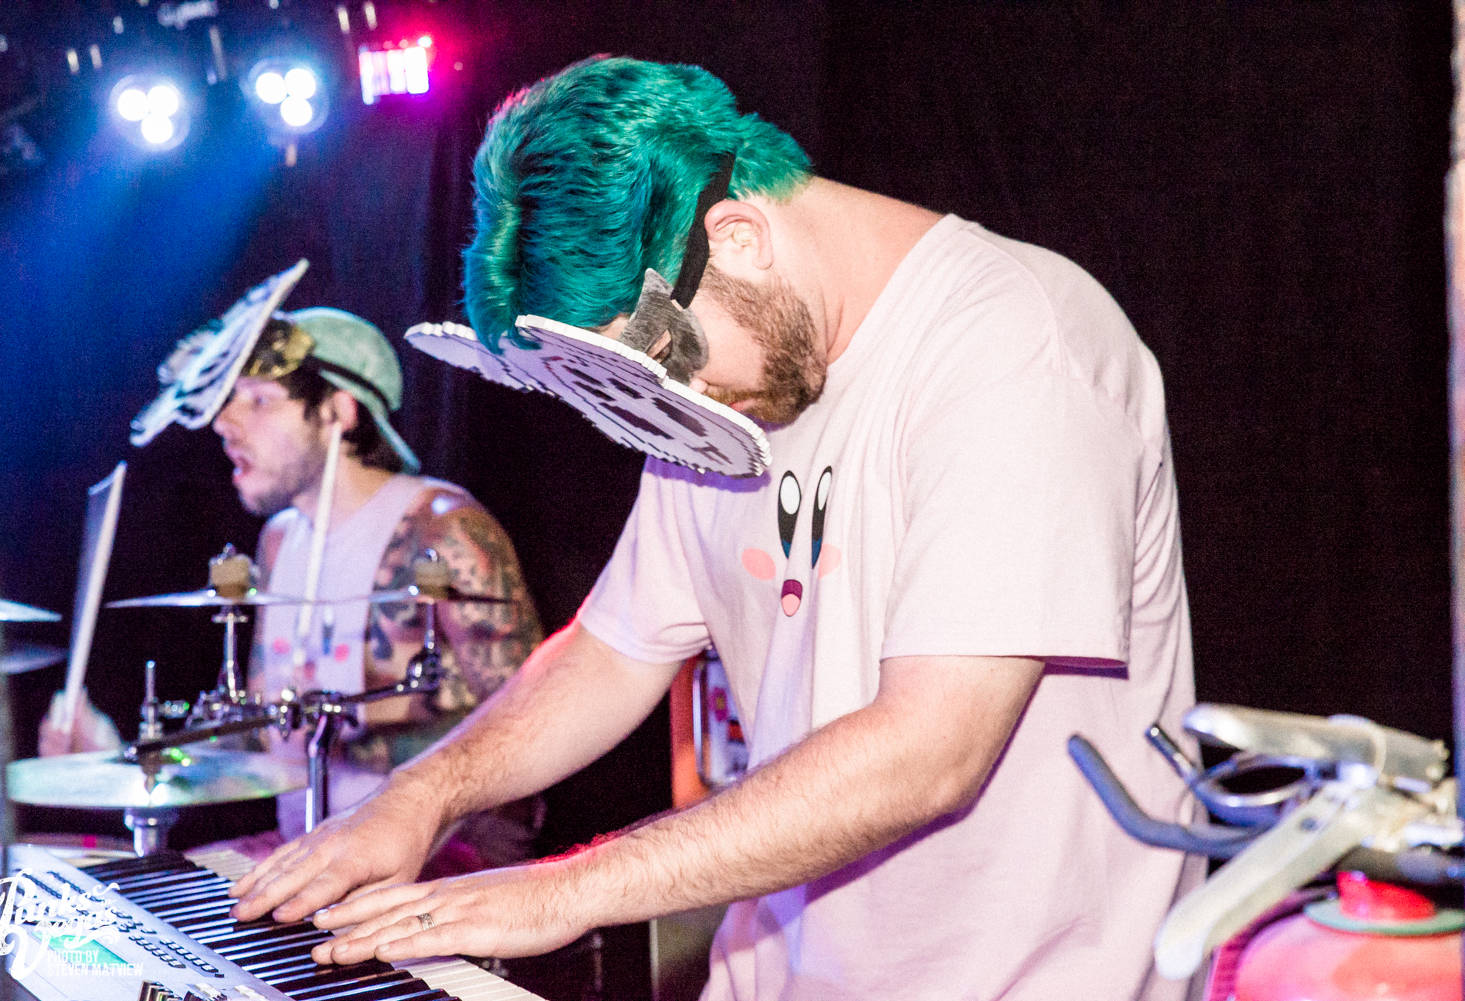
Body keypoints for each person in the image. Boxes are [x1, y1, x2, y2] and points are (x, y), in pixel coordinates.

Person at [232, 57, 1200, 1000]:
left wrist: (562, 889)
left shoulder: (1015, 344)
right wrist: (422, 793)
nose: (676, 404)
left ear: (737, 235)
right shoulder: (715, 395)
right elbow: (612, 651)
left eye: (669, 369)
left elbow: (929, 751)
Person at [46, 307, 544, 868]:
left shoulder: (443, 528)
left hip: (434, 864)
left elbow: (530, 729)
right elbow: (257, 736)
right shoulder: (280, 541)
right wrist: (126, 759)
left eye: (259, 400)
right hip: (303, 851)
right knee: (134, 885)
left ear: (338, 411)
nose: (224, 422)